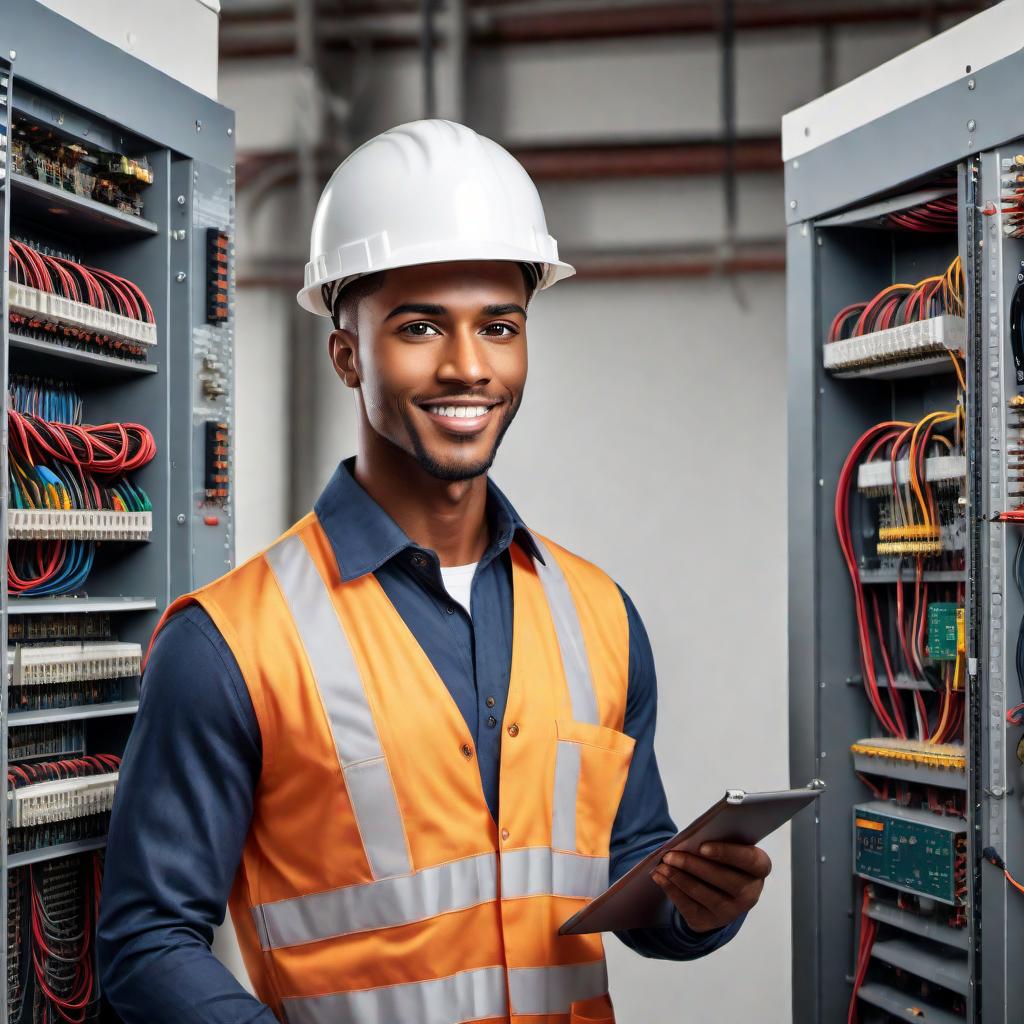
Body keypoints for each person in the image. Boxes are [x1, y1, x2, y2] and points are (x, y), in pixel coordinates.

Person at [97, 119, 771, 1024]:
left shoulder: (601, 617)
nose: (468, 367)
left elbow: (630, 863)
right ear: (346, 354)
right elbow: (146, 946)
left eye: (500, 326)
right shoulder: (228, 645)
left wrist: (697, 904)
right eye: (420, 327)